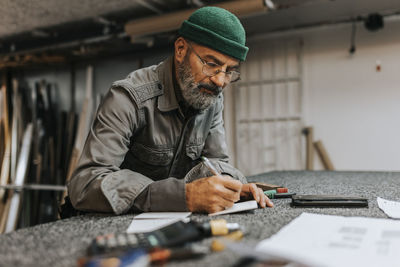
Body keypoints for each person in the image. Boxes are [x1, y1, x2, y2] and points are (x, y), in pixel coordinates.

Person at [67, 6, 273, 215]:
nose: (220, 81)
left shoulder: (211, 98)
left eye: (229, 71)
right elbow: (86, 182)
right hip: (108, 225)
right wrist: (183, 196)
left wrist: (230, 187)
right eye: (211, 64)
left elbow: (216, 163)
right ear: (181, 49)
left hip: (171, 221)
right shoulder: (128, 97)